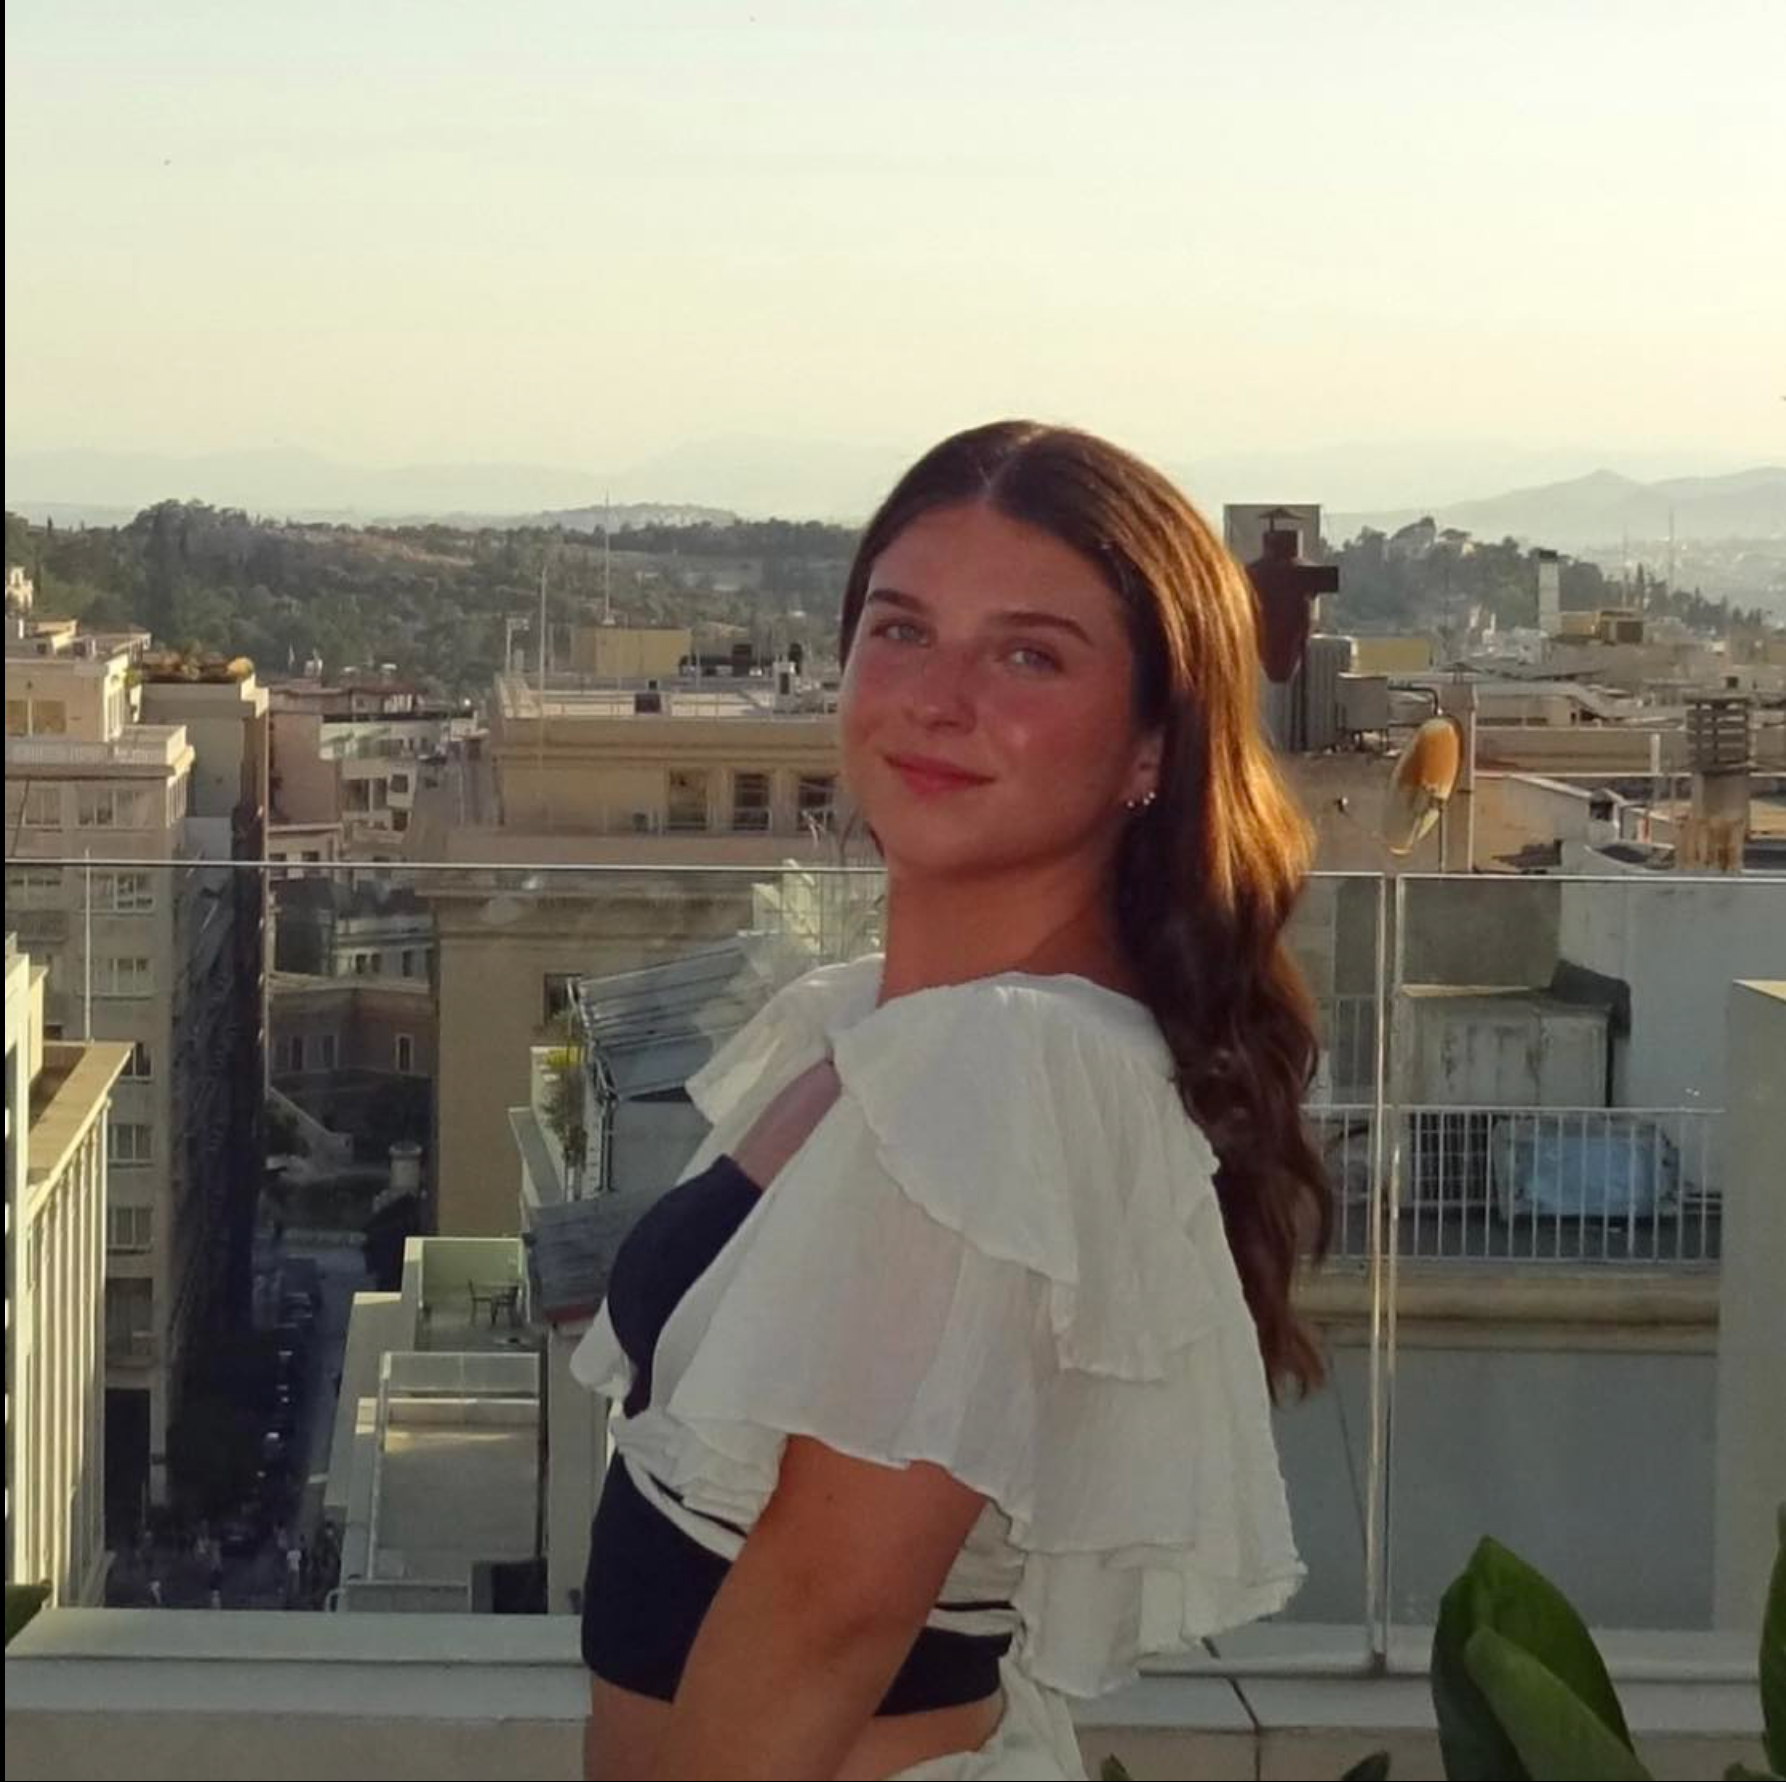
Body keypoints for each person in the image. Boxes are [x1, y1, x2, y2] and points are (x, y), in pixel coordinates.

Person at [573, 421, 1331, 1780]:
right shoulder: (877, 1022)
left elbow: (830, 1607)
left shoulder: (1005, 1073)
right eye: (900, 629)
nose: (934, 696)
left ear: (1150, 745)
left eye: (1029, 654)